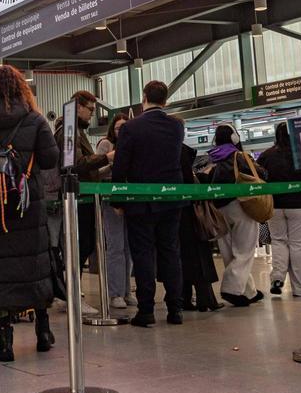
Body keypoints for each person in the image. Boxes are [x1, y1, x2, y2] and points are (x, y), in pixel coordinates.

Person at [0, 65, 58, 362]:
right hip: (28, 207)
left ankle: (5, 342)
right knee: (35, 267)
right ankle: (43, 331)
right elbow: (51, 157)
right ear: (21, 89)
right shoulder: (35, 120)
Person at [111, 81, 187, 327]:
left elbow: (121, 165)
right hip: (171, 199)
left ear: (144, 98)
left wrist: (118, 198)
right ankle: (176, 309)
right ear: (165, 101)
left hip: (140, 201)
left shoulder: (131, 128)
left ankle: (146, 311)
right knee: (171, 252)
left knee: (143, 255)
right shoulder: (176, 127)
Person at [53, 90, 108, 315]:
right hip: (77, 199)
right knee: (78, 248)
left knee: (78, 248)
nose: (91, 116)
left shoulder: (72, 131)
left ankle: (69, 294)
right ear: (78, 107)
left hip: (80, 197)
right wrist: (107, 158)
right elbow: (76, 164)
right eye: (90, 110)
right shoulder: (68, 132)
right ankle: (71, 295)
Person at [205, 124, 267, 307]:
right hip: (241, 206)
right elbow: (260, 173)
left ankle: (248, 291)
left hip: (220, 209)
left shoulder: (212, 158)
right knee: (245, 250)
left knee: (229, 252)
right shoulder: (239, 156)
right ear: (235, 137)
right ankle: (231, 290)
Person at [258, 123, 301, 298]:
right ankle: (300, 287)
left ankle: (277, 279)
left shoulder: (266, 155)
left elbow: (259, 174)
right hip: (299, 205)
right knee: (298, 245)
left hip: (274, 206)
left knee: (278, 242)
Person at [97, 113, 133, 308]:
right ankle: (115, 293)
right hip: (111, 198)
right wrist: (110, 163)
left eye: (124, 127)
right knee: (116, 246)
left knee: (128, 247)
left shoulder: (132, 146)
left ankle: (127, 290)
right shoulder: (106, 145)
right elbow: (95, 171)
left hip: (130, 198)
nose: (121, 131)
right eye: (118, 128)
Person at [180, 143, 222, 312]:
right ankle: (206, 300)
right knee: (200, 258)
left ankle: (184, 299)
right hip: (192, 217)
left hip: (174, 215)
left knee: (181, 258)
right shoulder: (181, 152)